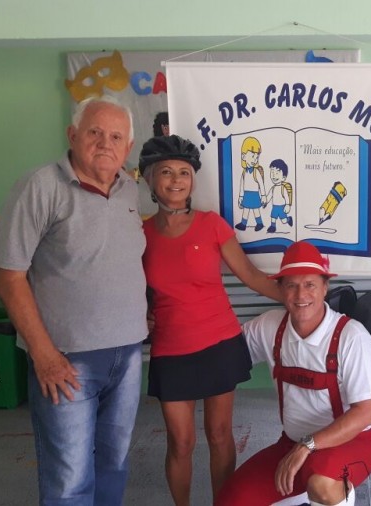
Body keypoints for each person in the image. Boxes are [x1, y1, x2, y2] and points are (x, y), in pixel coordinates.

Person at [0, 95, 148, 505]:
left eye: (116, 136)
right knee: (69, 479)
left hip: (127, 355)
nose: (105, 143)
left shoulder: (129, 190)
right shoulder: (41, 186)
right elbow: (9, 277)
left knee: (114, 463)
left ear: (128, 147)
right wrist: (43, 354)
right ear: (72, 135)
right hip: (66, 360)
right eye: (95, 132)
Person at [137, 135, 283, 505]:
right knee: (180, 442)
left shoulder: (211, 225)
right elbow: (134, 289)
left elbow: (250, 275)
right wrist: (142, 313)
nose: (176, 180)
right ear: (150, 179)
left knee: (219, 435)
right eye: (166, 172)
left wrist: (297, 300)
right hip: (171, 349)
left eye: (184, 172)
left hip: (219, 342)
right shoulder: (141, 235)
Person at [216, 241, 371, 506]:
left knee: (322, 483)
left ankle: (334, 495)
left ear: (325, 287)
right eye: (291, 285)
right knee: (231, 501)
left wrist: (308, 445)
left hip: (353, 444)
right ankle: (303, 494)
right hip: (292, 445)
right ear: (280, 289)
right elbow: (225, 355)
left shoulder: (351, 335)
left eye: (310, 285)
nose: (300, 294)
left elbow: (364, 413)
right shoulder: (270, 326)